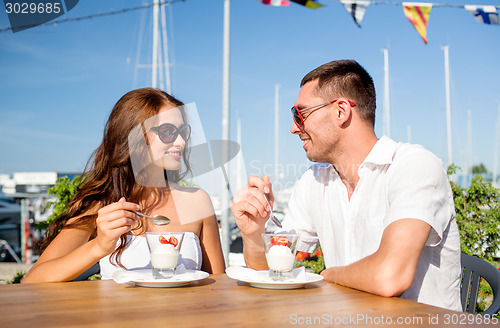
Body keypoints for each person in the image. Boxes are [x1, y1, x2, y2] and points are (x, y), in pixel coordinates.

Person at [231, 60, 461, 311]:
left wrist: (328, 275)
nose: (293, 128)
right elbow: (274, 270)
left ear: (341, 111)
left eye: (300, 114)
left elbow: (389, 277)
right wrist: (253, 233)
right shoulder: (314, 181)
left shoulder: (413, 166)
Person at [22, 88, 225, 283]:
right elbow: (33, 281)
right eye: (168, 132)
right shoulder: (101, 204)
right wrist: (99, 246)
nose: (181, 141)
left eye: (183, 131)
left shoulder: (197, 201)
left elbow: (218, 285)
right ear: (134, 138)